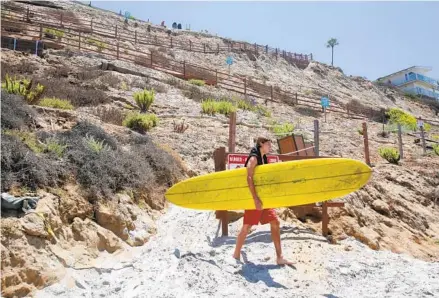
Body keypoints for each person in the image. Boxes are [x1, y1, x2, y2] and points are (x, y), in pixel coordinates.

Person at [233, 137, 293, 265]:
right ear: (261, 144)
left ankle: (279, 257)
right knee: (247, 227)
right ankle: (236, 255)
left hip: (264, 199)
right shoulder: (254, 158)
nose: (270, 147)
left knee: (275, 223)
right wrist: (255, 199)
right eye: (268, 144)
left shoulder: (264, 158)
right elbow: (248, 177)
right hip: (254, 199)